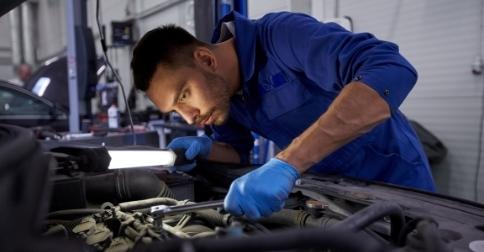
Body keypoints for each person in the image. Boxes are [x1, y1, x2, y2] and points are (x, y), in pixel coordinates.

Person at [131, 11, 435, 219]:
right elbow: (237, 152)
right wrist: (208, 149)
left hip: (398, 186)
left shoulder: (282, 36)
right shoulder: (223, 99)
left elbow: (391, 70)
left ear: (206, 59)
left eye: (184, 95)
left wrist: (288, 164)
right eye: (175, 109)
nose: (188, 117)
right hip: (328, 199)